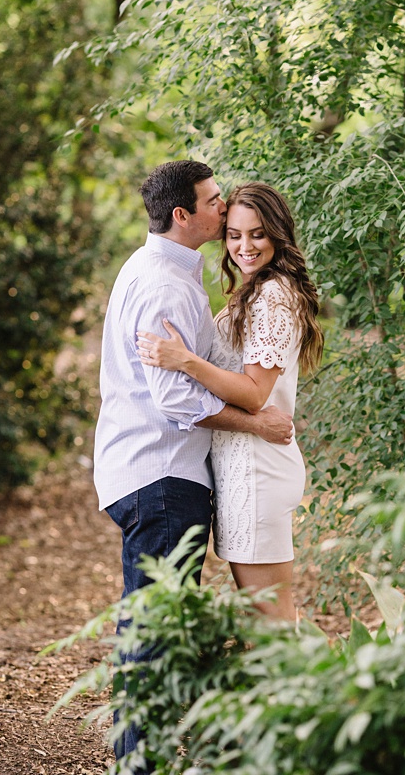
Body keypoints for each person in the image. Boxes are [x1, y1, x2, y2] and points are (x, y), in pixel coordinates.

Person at [93, 159, 294, 775]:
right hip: (161, 475)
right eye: (213, 204)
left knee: (154, 624)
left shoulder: (163, 270)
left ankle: (149, 773)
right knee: (153, 630)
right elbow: (177, 400)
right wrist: (254, 423)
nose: (221, 209)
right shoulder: (167, 287)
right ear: (184, 215)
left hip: (154, 472)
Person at [137, 181, 323, 621]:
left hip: (257, 467)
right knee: (263, 616)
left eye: (257, 234)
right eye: (235, 235)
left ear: (278, 233)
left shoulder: (274, 297)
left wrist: (186, 362)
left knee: (269, 616)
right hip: (240, 466)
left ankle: (297, 690)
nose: (245, 246)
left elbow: (256, 393)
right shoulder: (253, 292)